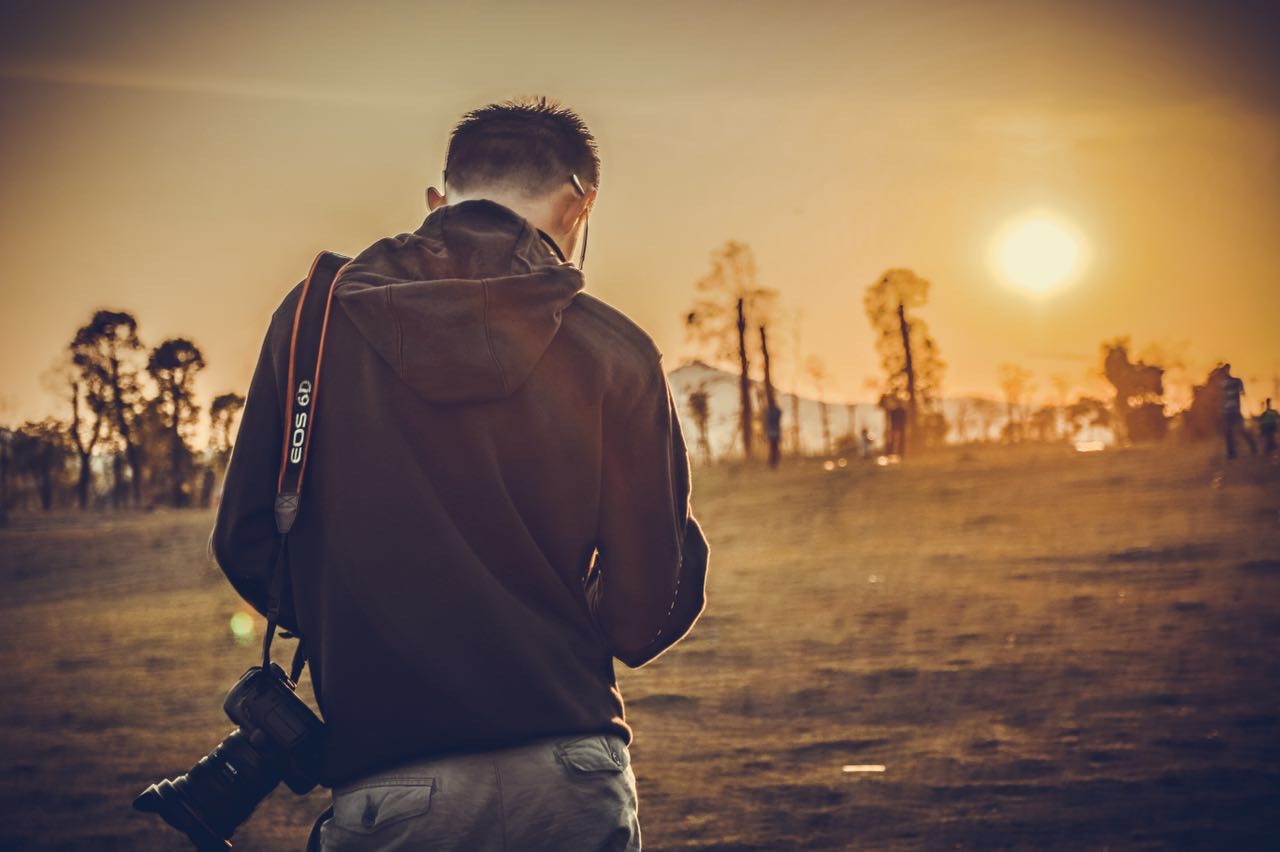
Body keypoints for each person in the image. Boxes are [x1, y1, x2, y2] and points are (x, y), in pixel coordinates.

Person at [210, 98, 709, 851]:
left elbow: (249, 540)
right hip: (569, 772)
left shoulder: (314, 320)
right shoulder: (616, 349)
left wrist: (381, 628)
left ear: (438, 201)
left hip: (389, 783)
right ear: (581, 208)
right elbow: (645, 612)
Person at [1220, 363, 1257, 459]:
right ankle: (1231, 453)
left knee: (1242, 430)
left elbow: (1242, 392)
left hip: (1235, 410)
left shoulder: (1236, 381)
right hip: (1227, 412)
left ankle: (1253, 446)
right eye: (1224, 370)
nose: (1226, 371)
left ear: (1229, 369)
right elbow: (1221, 398)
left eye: (1227, 369)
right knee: (1228, 432)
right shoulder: (1222, 384)